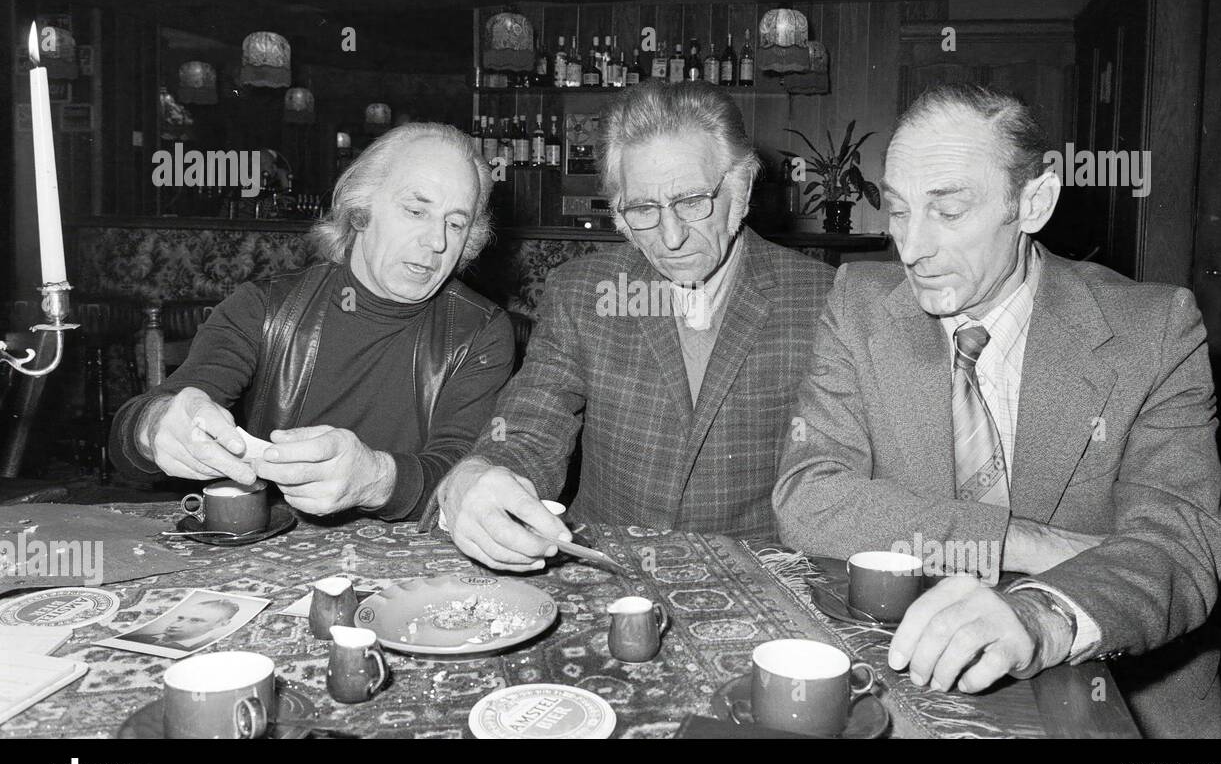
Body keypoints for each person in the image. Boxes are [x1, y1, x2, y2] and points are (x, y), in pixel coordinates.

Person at [773, 83, 1221, 738]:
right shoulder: (861, 305)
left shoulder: (1154, 329)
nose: (913, 247)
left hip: (1116, 692)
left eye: (949, 212)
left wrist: (1039, 615)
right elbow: (807, 497)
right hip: (912, 665)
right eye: (898, 211)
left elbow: (1179, 547)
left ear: (1034, 201)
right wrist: (1020, 539)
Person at [430, 82, 835, 569]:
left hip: (759, 577)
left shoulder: (824, 299)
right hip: (609, 570)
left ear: (741, 188)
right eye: (643, 209)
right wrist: (480, 472)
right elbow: (530, 428)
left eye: (691, 201)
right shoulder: (583, 292)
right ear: (619, 213)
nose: (671, 236)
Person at [110, 123, 515, 522]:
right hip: (269, 553)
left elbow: (463, 472)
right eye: (415, 211)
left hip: (411, 567)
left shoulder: (478, 331)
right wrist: (155, 426)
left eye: (456, 223)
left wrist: (377, 479)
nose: (438, 241)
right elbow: (132, 438)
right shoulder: (265, 308)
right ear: (360, 211)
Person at [125, 598, 241, 650]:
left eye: (195, 620)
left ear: (221, 624)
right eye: (180, 618)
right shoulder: (136, 638)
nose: (176, 625)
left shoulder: (211, 651)